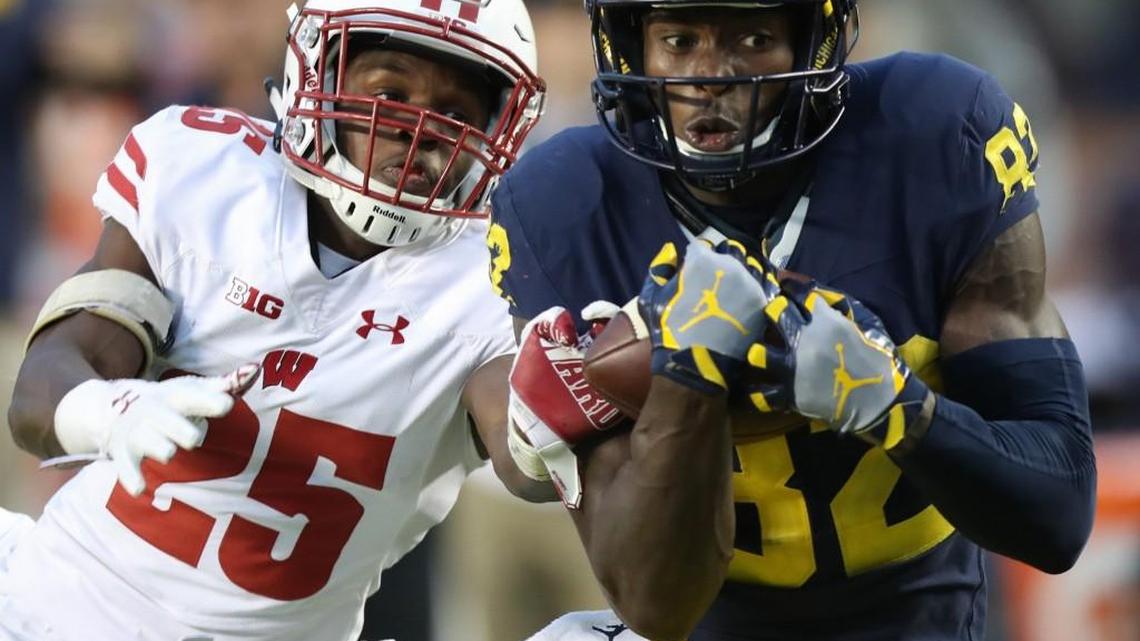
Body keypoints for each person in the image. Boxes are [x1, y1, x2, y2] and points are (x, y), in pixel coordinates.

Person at [490, 1, 1097, 640]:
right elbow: (655, 606)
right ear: (629, 45)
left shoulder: (936, 134)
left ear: (816, 38)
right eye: (678, 39)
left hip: (923, 619)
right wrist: (688, 382)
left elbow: (1057, 514)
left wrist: (896, 408)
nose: (710, 74)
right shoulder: (565, 203)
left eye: (753, 37)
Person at [1, 0, 549, 639]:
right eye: (390, 90)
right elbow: (39, 397)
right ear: (319, 73)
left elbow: (524, 451)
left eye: (456, 113)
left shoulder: (491, 274)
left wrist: (577, 403)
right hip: (57, 606)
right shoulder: (204, 172)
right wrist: (113, 411)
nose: (419, 127)